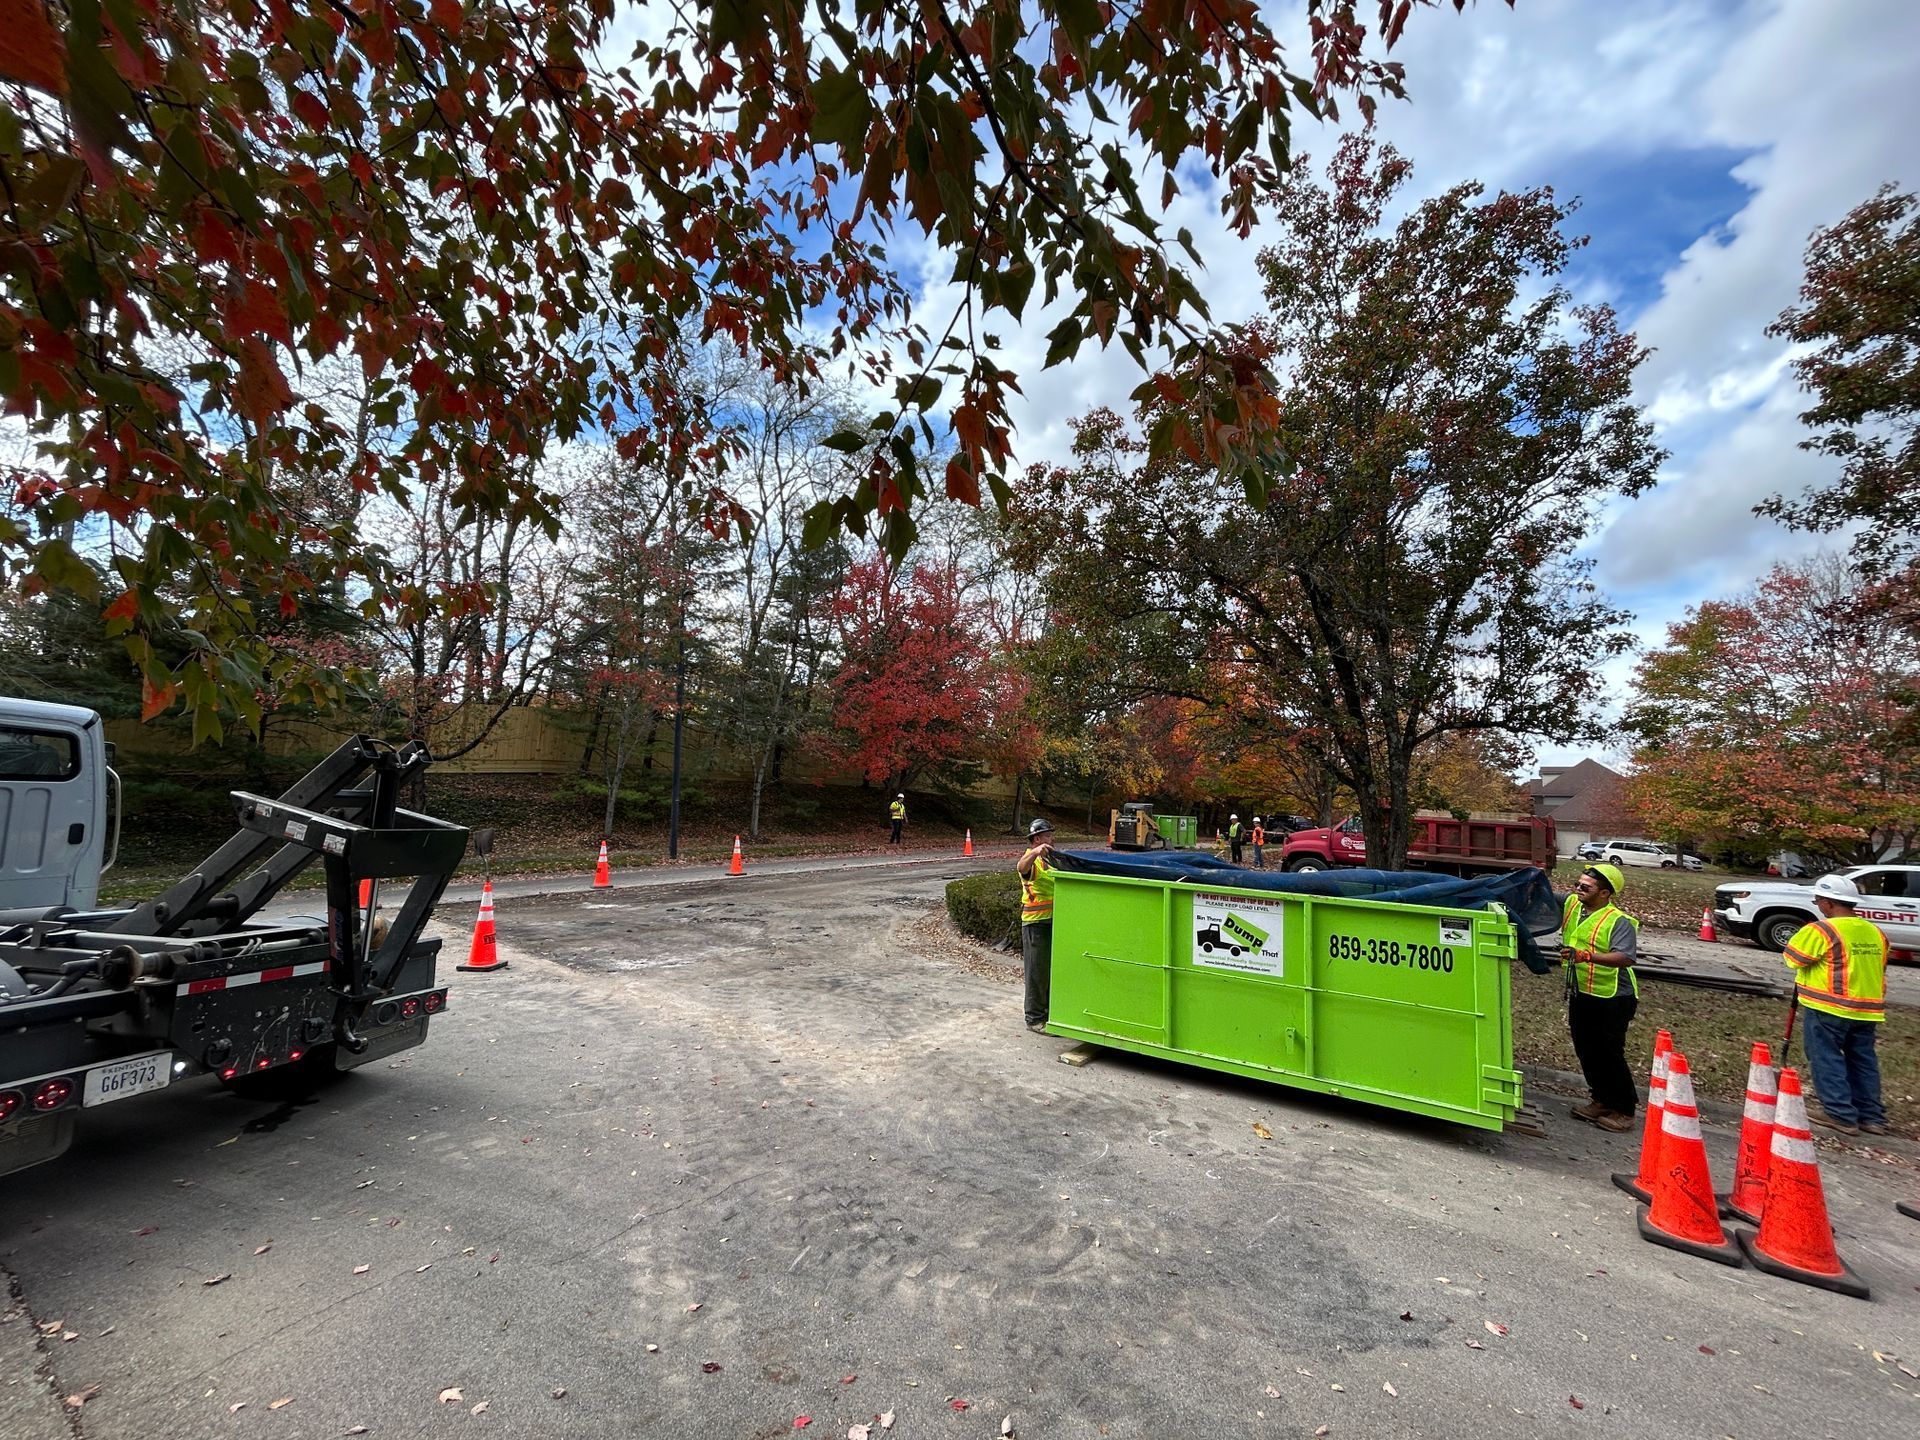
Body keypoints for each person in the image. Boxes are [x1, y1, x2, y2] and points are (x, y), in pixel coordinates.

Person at [1782, 873, 1889, 1135]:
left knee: (1826, 1057)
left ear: (1828, 903)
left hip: (1828, 1007)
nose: (1818, 905)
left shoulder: (1821, 929)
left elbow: (1794, 959)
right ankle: (1871, 1116)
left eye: (1818, 900)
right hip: (1867, 1009)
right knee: (1863, 1059)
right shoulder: (1875, 932)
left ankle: (1840, 1113)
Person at [1559, 862, 1641, 1132]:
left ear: (1605, 894)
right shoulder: (1573, 904)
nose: (1578, 889)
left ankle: (1624, 1110)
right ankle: (1601, 1100)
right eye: (1578, 884)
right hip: (1582, 990)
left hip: (1613, 997)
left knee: (1609, 1053)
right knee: (1586, 1048)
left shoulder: (1618, 921)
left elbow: (1626, 956)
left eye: (1586, 887)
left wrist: (1587, 956)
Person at [1018, 817, 1059, 1032]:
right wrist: (1034, 853)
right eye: (1048, 835)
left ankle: (1047, 1013)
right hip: (1035, 924)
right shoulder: (1031, 859)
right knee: (1036, 972)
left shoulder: (1048, 861)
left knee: (1048, 971)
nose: (1052, 839)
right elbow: (1020, 867)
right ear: (1037, 839)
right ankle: (1034, 1019)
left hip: (1051, 922)